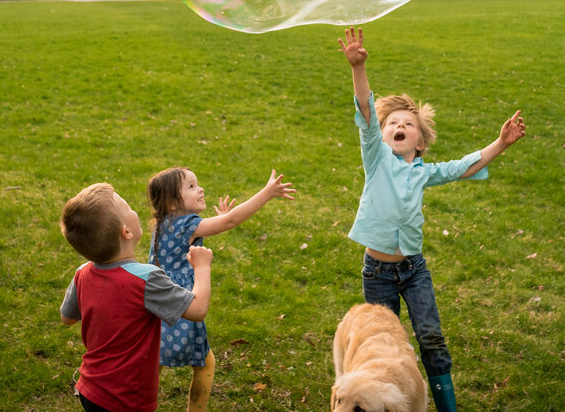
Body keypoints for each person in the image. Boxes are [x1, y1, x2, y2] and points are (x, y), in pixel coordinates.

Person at [337, 27, 526, 412]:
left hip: (414, 269)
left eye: (408, 124)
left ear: (419, 142)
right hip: (378, 272)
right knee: (381, 345)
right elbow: (367, 114)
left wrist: (501, 143)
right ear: (383, 135)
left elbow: (462, 166)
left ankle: (446, 406)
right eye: (393, 124)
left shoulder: (423, 172)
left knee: (430, 337)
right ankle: (381, 401)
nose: (399, 127)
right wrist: (358, 68)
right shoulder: (376, 159)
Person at [146, 167, 296, 412]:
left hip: (159, 304)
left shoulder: (165, 223)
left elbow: (219, 225)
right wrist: (266, 193)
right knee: (205, 365)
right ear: (173, 203)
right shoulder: (187, 225)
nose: (200, 188)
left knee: (154, 362)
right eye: (191, 186)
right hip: (183, 306)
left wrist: (218, 221)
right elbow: (231, 221)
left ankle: (138, 401)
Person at [59, 182, 213, 412]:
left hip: (90, 388)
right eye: (128, 207)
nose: (135, 210)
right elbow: (197, 310)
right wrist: (202, 268)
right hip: (127, 398)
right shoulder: (146, 279)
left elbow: (67, 318)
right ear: (126, 232)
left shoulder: (82, 273)